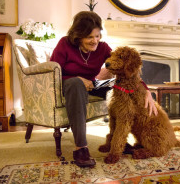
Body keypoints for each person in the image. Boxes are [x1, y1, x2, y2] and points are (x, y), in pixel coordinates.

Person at [50, 11, 157, 168]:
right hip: (69, 85)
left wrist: (145, 90)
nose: (95, 41)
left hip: (93, 85)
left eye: (97, 36)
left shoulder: (103, 48)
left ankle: (119, 139)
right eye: (89, 37)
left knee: (119, 86)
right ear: (78, 35)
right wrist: (78, 79)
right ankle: (81, 148)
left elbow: (125, 68)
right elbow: (54, 74)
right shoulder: (64, 44)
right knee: (76, 84)